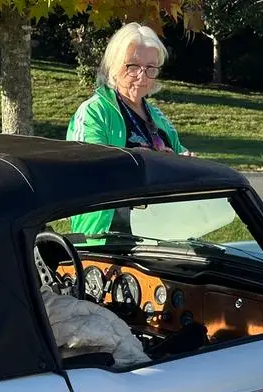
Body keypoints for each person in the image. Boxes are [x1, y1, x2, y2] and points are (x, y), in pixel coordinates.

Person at [66, 22, 194, 235]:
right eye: (132, 66)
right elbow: (85, 171)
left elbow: (177, 157)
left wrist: (185, 162)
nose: (142, 76)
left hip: (160, 233)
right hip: (108, 235)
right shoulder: (94, 112)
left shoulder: (158, 117)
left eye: (150, 68)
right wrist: (137, 160)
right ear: (114, 66)